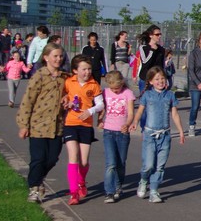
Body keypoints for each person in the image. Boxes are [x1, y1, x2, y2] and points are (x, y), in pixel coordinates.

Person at [16, 42, 68, 203]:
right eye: (55, 56)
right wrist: (23, 125)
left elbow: (73, 94)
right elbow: (28, 101)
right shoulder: (39, 76)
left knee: (52, 158)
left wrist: (68, 98)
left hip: (56, 126)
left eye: (60, 56)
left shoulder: (65, 78)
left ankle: (39, 178)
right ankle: (34, 187)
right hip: (38, 125)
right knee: (38, 158)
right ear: (46, 57)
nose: (58, 59)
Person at [131, 66, 185, 203]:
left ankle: (154, 191)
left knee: (160, 167)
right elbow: (140, 111)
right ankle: (143, 180)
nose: (160, 81)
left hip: (165, 135)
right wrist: (135, 122)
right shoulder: (147, 95)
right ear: (150, 81)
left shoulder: (170, 95)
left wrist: (180, 131)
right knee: (148, 165)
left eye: (162, 78)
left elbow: (174, 114)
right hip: (150, 135)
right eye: (157, 79)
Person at [62, 55, 104, 205]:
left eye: (89, 69)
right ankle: (74, 193)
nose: (87, 72)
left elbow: (100, 104)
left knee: (84, 162)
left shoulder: (94, 84)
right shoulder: (68, 82)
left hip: (86, 125)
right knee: (73, 156)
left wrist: (90, 111)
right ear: (75, 70)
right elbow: (63, 97)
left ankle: (81, 181)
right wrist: (66, 101)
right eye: (84, 69)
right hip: (70, 123)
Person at [98, 70, 135, 203]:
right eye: (112, 88)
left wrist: (127, 124)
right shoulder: (105, 92)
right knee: (111, 163)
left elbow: (131, 113)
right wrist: (100, 120)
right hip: (108, 131)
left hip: (122, 133)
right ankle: (109, 192)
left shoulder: (128, 93)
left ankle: (118, 186)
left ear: (122, 83)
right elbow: (102, 109)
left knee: (121, 162)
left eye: (117, 88)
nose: (115, 91)